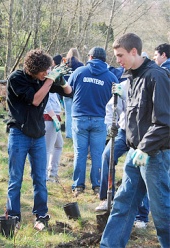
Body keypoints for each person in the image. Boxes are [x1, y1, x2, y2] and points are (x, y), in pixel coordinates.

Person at [100, 33, 170, 248]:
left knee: (162, 213)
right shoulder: (132, 77)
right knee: (122, 204)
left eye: (120, 55)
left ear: (134, 51)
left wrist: (146, 148)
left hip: (153, 155)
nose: (117, 60)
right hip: (134, 154)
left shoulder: (156, 76)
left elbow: (164, 120)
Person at [6, 49, 72, 231]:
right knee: (16, 178)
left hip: (38, 135)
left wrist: (61, 80)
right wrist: (50, 80)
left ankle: (41, 215)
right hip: (19, 134)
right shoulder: (16, 78)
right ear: (33, 69)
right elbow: (35, 100)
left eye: (48, 71)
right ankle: (13, 216)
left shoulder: (44, 79)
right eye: (44, 71)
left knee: (40, 178)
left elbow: (69, 92)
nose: (46, 74)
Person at [95, 79, 150, 229]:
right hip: (124, 131)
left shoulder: (151, 83)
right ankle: (106, 198)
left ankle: (141, 216)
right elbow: (112, 108)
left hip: (142, 135)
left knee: (140, 170)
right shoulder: (124, 85)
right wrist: (110, 126)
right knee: (107, 156)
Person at [69, 47, 118, 196]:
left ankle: (78, 186)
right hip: (100, 119)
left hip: (80, 118)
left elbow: (69, 91)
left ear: (90, 57)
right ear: (104, 59)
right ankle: (97, 186)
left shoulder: (79, 72)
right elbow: (116, 99)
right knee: (98, 154)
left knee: (80, 152)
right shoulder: (111, 77)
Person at [45, 56, 65, 182]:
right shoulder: (45, 82)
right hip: (48, 118)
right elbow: (46, 102)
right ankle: (46, 176)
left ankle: (53, 173)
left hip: (55, 116)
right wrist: (53, 117)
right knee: (48, 148)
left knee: (59, 145)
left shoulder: (53, 82)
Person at [62, 48, 84, 139]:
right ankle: (76, 132)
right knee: (76, 114)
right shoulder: (80, 65)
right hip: (76, 92)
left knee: (68, 114)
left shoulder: (64, 65)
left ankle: (69, 134)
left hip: (65, 91)